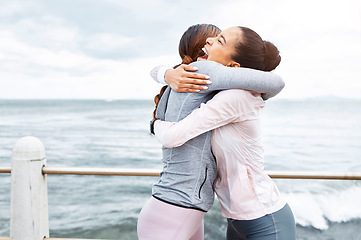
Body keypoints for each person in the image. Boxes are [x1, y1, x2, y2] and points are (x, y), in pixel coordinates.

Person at [137, 24, 286, 240]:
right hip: (179, 202)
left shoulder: (181, 81)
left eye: (219, 40)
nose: (211, 42)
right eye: (215, 38)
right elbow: (275, 82)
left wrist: (163, 74)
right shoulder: (206, 71)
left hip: (175, 201)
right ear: (202, 50)